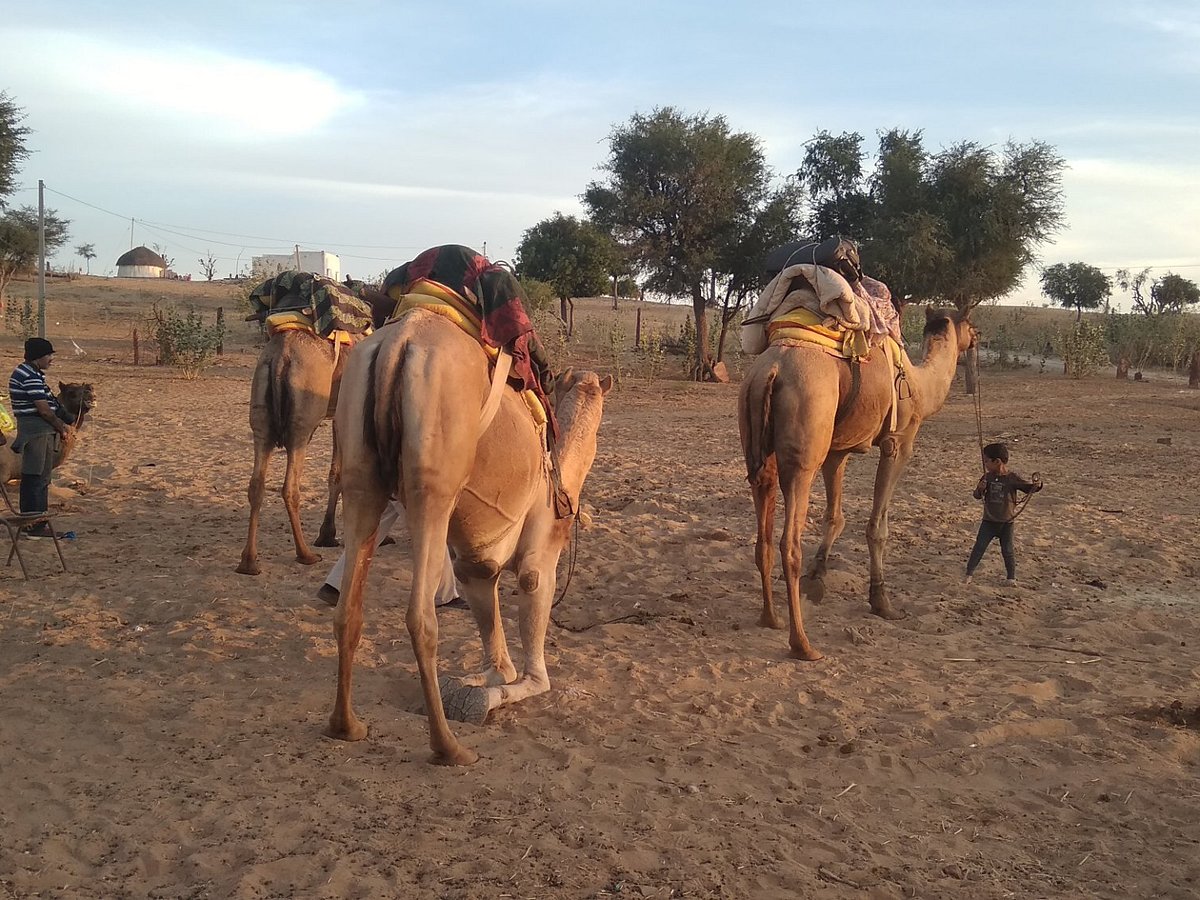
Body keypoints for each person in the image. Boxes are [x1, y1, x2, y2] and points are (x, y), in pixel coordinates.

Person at [316, 499, 466, 609]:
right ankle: (444, 594)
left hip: (386, 469)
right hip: (403, 472)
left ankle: (335, 584)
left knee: (376, 526)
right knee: (429, 528)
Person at [8, 337, 76, 538]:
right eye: (48, 355)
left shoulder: (30, 373)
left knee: (38, 478)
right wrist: (61, 427)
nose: (50, 359)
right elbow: (44, 410)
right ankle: (34, 526)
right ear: (39, 356)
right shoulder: (30, 377)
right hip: (37, 432)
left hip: (38, 431)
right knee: (36, 479)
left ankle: (35, 523)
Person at [966, 442, 1043, 584]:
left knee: (1008, 551)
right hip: (988, 521)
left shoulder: (1011, 478)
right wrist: (980, 488)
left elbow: (1027, 488)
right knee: (979, 547)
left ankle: (1011, 578)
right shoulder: (986, 477)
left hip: (1007, 523)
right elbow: (977, 495)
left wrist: (1036, 486)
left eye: (987, 461)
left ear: (997, 462)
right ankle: (968, 574)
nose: (985, 464)